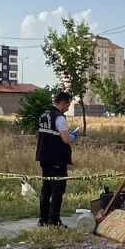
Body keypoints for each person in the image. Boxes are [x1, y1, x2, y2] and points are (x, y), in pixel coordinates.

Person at [35, 91, 74, 226]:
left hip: (43, 157)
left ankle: (43, 219)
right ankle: (54, 220)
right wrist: (72, 137)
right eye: (67, 106)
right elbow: (65, 138)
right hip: (57, 159)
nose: (67, 109)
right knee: (57, 191)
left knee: (46, 189)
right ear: (63, 103)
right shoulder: (59, 118)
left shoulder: (44, 114)